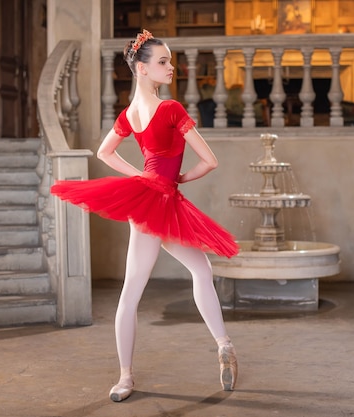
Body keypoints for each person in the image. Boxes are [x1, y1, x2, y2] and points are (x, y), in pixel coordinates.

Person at [50, 29, 239, 402]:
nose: (172, 68)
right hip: (164, 200)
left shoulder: (129, 113)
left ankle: (126, 377)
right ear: (142, 68)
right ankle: (222, 345)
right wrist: (178, 178)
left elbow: (105, 152)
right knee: (195, 273)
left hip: (150, 201)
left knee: (136, 290)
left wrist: (141, 175)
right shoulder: (170, 108)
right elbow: (211, 161)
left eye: (170, 61)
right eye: (164, 62)